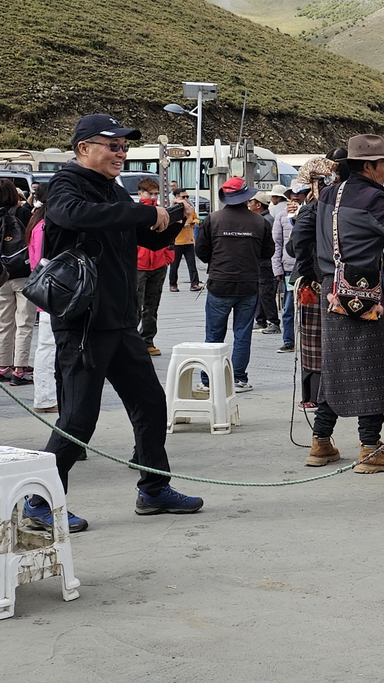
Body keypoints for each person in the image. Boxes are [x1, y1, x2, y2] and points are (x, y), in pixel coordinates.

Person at [23, 113, 203, 533]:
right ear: (84, 148)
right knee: (79, 418)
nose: (122, 153)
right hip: (84, 323)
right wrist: (144, 212)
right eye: (113, 146)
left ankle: (154, 489)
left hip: (120, 321)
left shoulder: (111, 188)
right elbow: (75, 216)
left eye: (125, 147)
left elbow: (147, 237)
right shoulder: (66, 183)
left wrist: (173, 217)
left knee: (150, 404)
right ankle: (38, 503)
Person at [300, 136, 384, 472]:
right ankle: (371, 449)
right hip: (360, 295)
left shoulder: (330, 192)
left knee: (336, 367)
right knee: (371, 370)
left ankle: (320, 443)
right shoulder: (371, 197)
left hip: (331, 290)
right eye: (382, 163)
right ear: (368, 166)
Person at [195, 177, 274, 393]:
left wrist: (217, 260)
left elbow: (201, 250)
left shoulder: (213, 219)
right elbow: (268, 253)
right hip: (248, 284)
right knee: (243, 333)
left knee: (213, 335)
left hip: (219, 283)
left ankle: (208, 380)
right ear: (247, 197)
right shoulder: (260, 222)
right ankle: (238, 378)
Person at [291, 160, 345, 466]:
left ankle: (321, 437)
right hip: (331, 288)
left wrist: (306, 270)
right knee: (336, 358)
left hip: (316, 286)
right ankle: (359, 441)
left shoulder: (310, 209)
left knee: (322, 356)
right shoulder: (328, 208)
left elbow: (295, 245)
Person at [25, 184, 58, 413]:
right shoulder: (46, 226)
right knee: (48, 347)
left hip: (43, 290)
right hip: (50, 292)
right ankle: (45, 398)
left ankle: (46, 396)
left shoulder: (35, 223)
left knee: (46, 347)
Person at [0, 178, 34, 385]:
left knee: (4, 323)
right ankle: (20, 369)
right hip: (23, 273)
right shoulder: (22, 213)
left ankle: (3, 366)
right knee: (24, 322)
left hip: (1, 276)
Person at [135, 178, 174, 356]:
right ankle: (132, 341)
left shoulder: (162, 212)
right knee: (135, 305)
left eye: (155, 193)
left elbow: (169, 237)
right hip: (139, 264)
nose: (153, 196)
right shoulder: (136, 213)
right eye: (149, 193)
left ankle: (148, 339)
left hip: (158, 263)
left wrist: (168, 257)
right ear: (140, 193)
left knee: (152, 305)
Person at [272, 185, 308, 353]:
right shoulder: (281, 216)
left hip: (307, 266)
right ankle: (289, 340)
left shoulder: (310, 212)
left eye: (299, 193)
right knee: (288, 307)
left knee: (308, 305)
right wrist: (277, 268)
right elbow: (276, 244)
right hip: (288, 267)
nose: (295, 197)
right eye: (292, 194)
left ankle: (308, 340)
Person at [250, 192, 281, 334]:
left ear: (258, 205)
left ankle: (273, 321)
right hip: (260, 262)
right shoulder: (261, 219)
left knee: (266, 292)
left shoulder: (266, 220)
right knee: (261, 292)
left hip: (266, 262)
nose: (249, 204)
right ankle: (261, 320)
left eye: (252, 202)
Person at [168, 187, 201, 292]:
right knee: (175, 265)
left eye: (187, 196)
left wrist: (194, 222)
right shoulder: (173, 209)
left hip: (189, 240)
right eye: (183, 197)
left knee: (192, 263)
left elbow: (196, 218)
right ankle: (173, 284)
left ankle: (194, 283)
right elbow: (170, 222)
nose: (186, 198)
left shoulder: (190, 208)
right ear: (177, 197)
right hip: (177, 241)